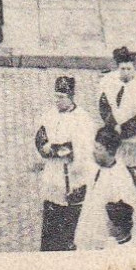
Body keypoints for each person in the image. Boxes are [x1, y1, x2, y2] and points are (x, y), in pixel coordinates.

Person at [33, 75, 98, 252]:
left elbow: (82, 148)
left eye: (61, 97)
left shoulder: (83, 119)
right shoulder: (49, 115)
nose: (58, 101)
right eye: (56, 96)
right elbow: (40, 136)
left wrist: (55, 149)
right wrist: (43, 148)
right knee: (50, 227)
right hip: (53, 178)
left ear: (71, 97)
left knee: (68, 230)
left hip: (73, 180)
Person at [96, 47, 136, 218]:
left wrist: (124, 130)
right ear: (118, 68)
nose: (126, 72)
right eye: (123, 69)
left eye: (129, 69)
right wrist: (112, 125)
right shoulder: (109, 82)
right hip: (115, 139)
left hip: (134, 142)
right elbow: (104, 105)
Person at [74, 126, 136, 250]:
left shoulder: (120, 178)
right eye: (94, 147)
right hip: (90, 233)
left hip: (108, 243)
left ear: (110, 151)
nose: (93, 151)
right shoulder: (97, 167)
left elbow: (126, 218)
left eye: (98, 149)